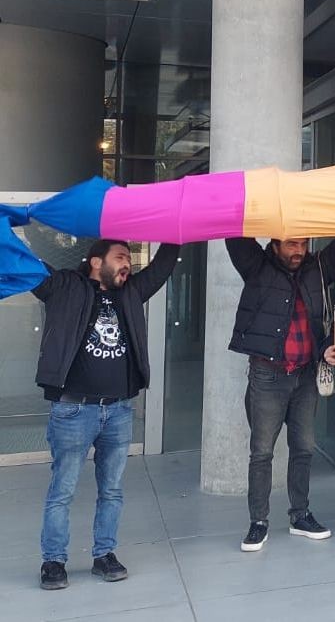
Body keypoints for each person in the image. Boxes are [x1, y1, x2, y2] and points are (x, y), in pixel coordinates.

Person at [33, 239, 179, 590]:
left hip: (118, 410)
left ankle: (104, 555)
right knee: (62, 490)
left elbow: (161, 268)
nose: (127, 263)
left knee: (112, 490)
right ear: (97, 262)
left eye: (129, 258)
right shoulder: (65, 287)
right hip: (73, 410)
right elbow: (31, 269)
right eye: (120, 257)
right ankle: (53, 561)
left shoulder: (130, 293)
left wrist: (175, 230)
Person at [226, 234, 335, 552]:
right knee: (261, 453)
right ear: (275, 245)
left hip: (304, 375)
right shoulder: (257, 267)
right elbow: (234, 237)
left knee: (304, 449)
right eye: (291, 244)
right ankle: (258, 523)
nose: (298, 251)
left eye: (302, 244)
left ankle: (300, 515)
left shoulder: (318, 267)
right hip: (268, 376)